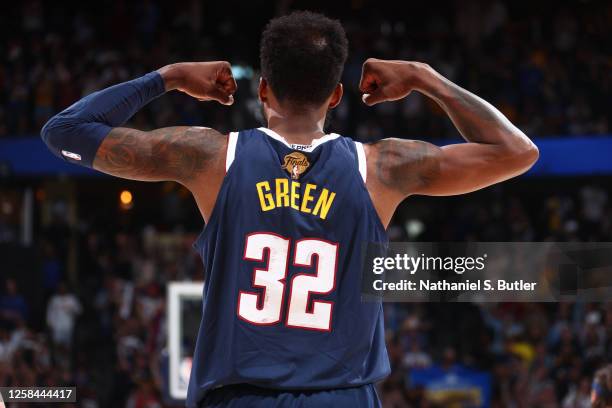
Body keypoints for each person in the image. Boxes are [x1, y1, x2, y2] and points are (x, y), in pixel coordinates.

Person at [40, 10, 538, 408]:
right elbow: (517, 152)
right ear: (337, 95)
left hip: (239, 396)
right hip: (343, 397)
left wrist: (167, 78)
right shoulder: (384, 167)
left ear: (262, 89)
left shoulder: (209, 156)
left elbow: (63, 131)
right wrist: (425, 79)